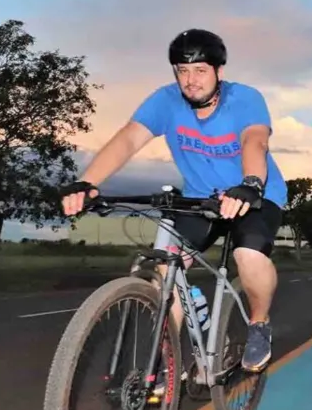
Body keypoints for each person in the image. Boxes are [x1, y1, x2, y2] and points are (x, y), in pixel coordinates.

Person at [59, 28, 287, 373]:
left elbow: (255, 141)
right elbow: (128, 140)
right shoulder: (165, 102)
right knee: (165, 270)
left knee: (248, 253)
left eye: (199, 71)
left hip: (253, 196)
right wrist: (86, 182)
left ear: (218, 72)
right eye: (182, 71)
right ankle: (165, 361)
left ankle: (258, 324)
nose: (190, 80)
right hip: (199, 199)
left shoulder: (245, 99)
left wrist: (251, 183)